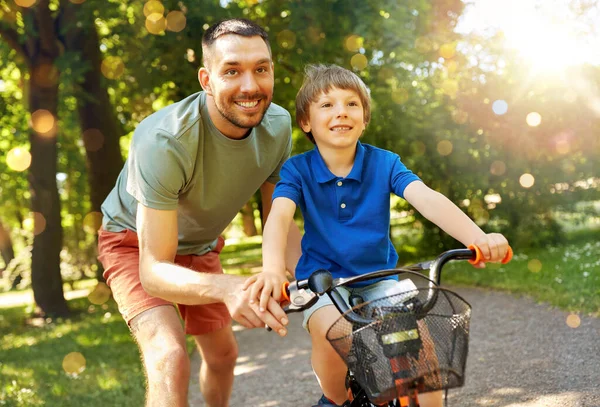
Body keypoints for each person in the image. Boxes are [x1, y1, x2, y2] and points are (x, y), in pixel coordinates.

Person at [244, 64, 511, 407]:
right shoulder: (297, 170)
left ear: (365, 118)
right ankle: (335, 398)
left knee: (421, 348)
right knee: (331, 332)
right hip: (324, 282)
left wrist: (478, 237)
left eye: (351, 104)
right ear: (306, 122)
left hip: (380, 278)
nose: (341, 111)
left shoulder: (385, 163)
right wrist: (270, 268)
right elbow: (279, 216)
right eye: (327, 105)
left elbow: (426, 198)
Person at [97, 18, 301, 407]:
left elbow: (279, 219)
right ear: (206, 80)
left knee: (224, 357)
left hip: (199, 245)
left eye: (261, 68)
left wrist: (323, 272)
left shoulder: (277, 127)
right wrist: (228, 288)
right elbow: (153, 270)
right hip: (134, 244)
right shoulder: (164, 140)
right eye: (232, 71)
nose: (250, 86)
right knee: (169, 357)